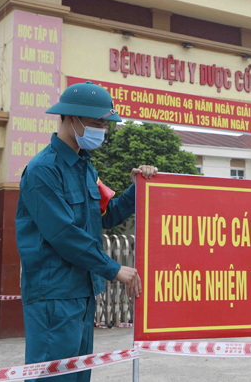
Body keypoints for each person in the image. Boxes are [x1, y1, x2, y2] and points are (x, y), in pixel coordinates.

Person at [15, 81, 158, 381]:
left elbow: (107, 215)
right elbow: (64, 234)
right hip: (53, 296)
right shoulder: (43, 170)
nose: (101, 132)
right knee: (54, 378)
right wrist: (113, 268)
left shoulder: (85, 168)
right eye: (96, 124)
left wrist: (137, 188)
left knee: (78, 377)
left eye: (105, 126)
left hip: (82, 293)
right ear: (70, 118)